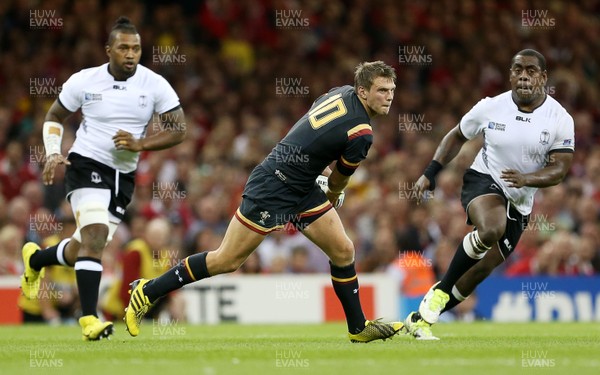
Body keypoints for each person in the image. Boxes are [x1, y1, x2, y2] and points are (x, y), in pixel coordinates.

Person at [125, 61, 402, 343]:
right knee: (226, 259)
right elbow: (338, 183)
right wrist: (332, 194)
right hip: (274, 185)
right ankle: (148, 292)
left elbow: (313, 138)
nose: (389, 96)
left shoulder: (339, 93)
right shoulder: (362, 133)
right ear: (363, 92)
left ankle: (358, 328)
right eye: (381, 90)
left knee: (343, 250)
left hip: (301, 183)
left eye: (391, 90)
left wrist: (321, 177)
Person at [20, 16, 186, 341]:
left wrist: (141, 144)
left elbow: (179, 129)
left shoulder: (154, 84)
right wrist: (53, 151)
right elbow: (55, 115)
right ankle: (89, 320)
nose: (131, 54)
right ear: (108, 49)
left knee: (84, 247)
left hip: (122, 177)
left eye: (136, 48)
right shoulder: (84, 81)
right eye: (124, 47)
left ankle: (36, 258)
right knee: (95, 237)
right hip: (85, 164)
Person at [404, 49, 574, 340]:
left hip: (521, 201)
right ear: (510, 75)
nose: (523, 75)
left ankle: (421, 319)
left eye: (531, 70)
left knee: (480, 270)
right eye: (517, 68)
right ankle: (441, 291)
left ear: (543, 77)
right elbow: (457, 135)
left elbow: (559, 170)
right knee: (492, 228)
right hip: (484, 180)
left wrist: (527, 179)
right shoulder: (490, 106)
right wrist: (430, 172)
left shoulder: (559, 118)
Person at [101, 218, 185, 321]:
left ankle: (178, 326)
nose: (157, 239)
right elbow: (127, 287)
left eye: (161, 236)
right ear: (146, 235)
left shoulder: (165, 255)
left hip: (146, 304)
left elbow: (169, 284)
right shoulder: (135, 252)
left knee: (177, 298)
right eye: (154, 236)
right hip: (120, 310)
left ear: (166, 238)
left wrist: (175, 298)